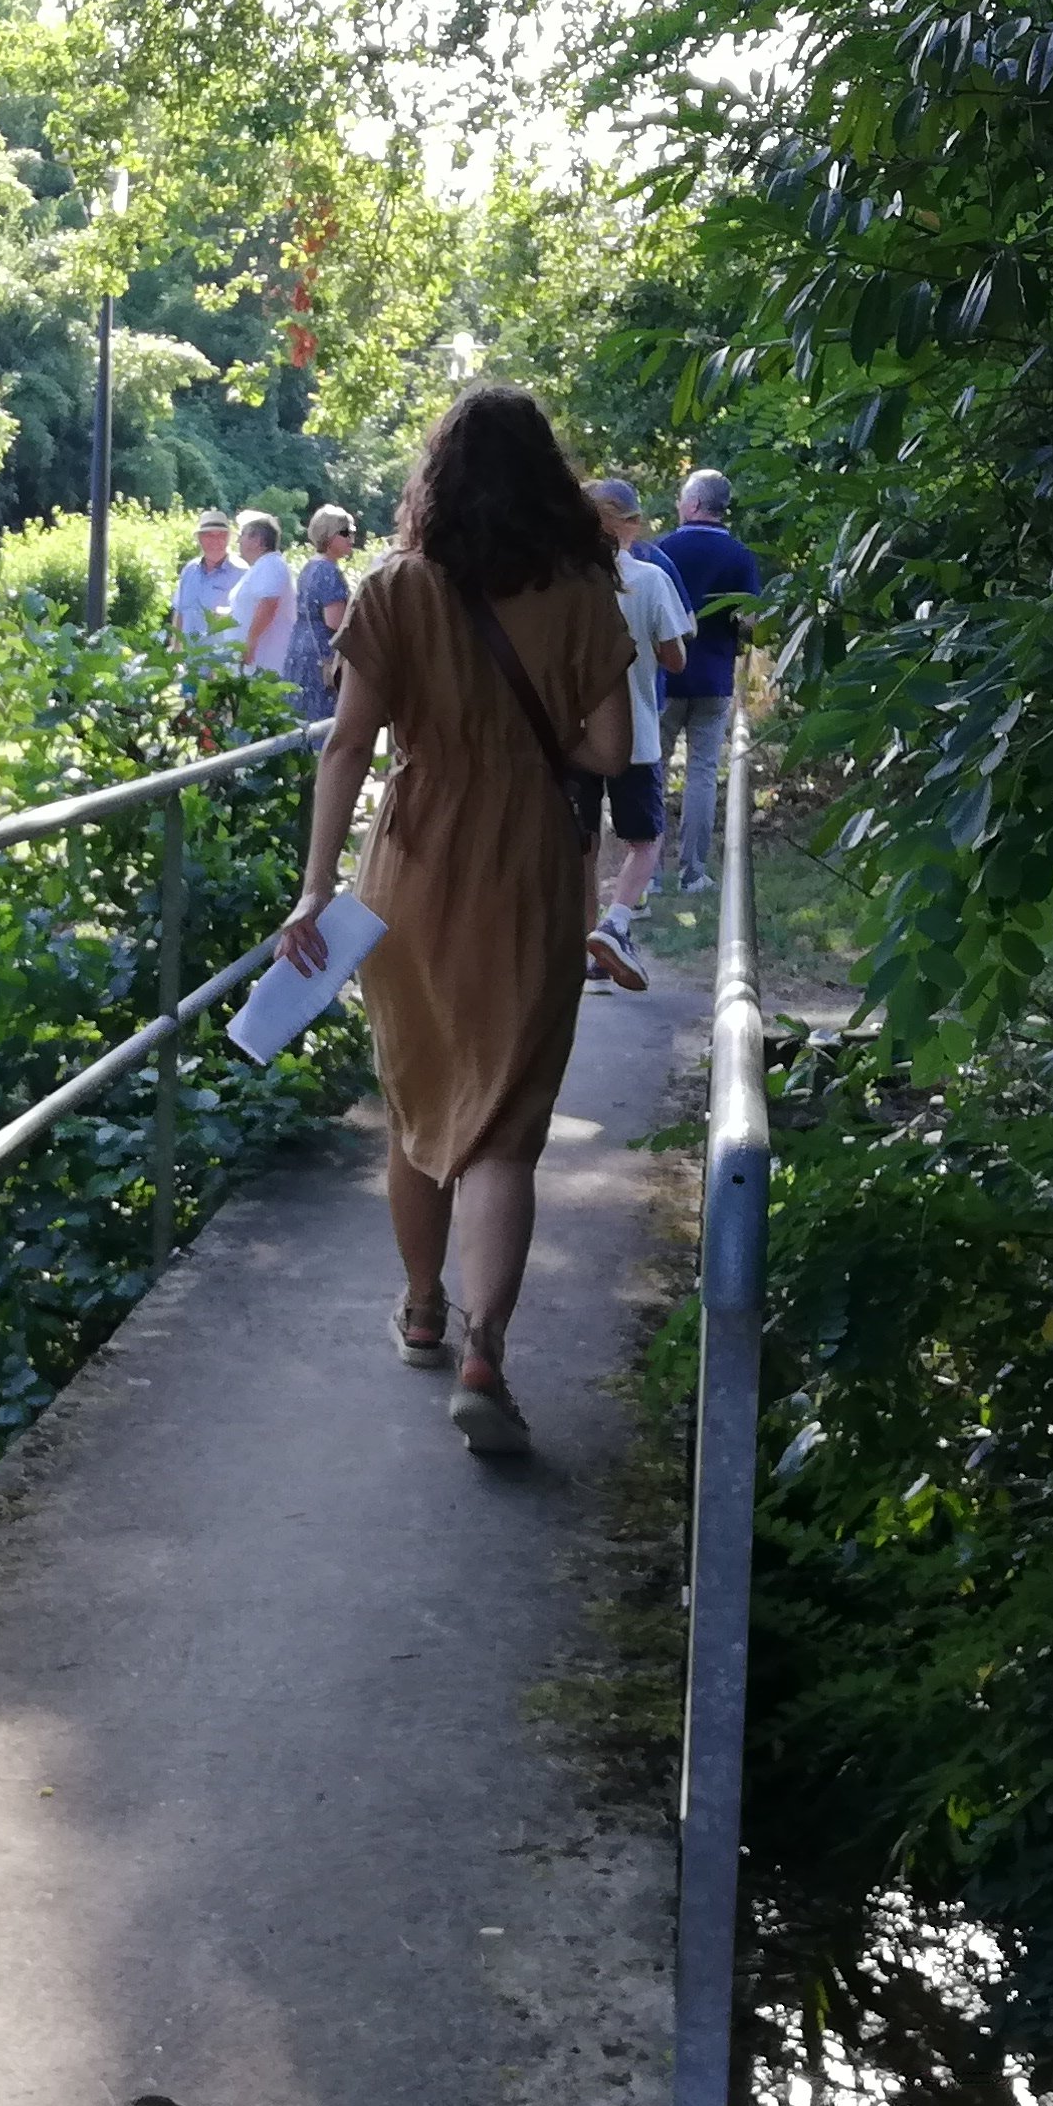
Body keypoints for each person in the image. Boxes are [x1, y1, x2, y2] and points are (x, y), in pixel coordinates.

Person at [273, 385, 630, 1459]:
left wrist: (315, 887)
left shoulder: (392, 590)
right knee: (505, 1127)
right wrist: (528, 763)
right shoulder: (583, 591)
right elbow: (611, 753)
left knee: (420, 1098)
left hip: (411, 862)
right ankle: (486, 1352)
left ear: (438, 481)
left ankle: (421, 1306)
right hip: (525, 862)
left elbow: (346, 747)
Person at [582, 475, 692, 993]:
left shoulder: (564, 582)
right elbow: (675, 657)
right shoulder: (648, 579)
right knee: (644, 840)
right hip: (636, 733)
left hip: (575, 738)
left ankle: (583, 942)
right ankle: (616, 922)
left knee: (581, 843)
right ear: (633, 524)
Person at [649, 469, 765, 897]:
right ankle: (693, 871)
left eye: (682, 498)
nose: (678, 505)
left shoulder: (661, 550)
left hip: (663, 677)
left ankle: (650, 873)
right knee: (701, 774)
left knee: (654, 772)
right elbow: (751, 621)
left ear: (695, 504)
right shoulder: (739, 556)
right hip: (714, 678)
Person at [283, 504, 358, 720]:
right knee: (322, 720)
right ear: (328, 535)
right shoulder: (328, 571)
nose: (351, 538)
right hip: (321, 657)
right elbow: (336, 621)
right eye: (345, 533)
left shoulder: (310, 566)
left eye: (352, 532)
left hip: (300, 648)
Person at [228, 509, 296, 680]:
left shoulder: (271, 565)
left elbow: (268, 603)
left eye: (243, 534)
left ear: (258, 540)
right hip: (253, 666)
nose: (238, 540)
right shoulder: (262, 566)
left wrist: (249, 644)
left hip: (264, 664)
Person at [166, 508, 244, 652]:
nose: (215, 541)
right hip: (188, 661)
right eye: (209, 535)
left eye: (220, 535)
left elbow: (245, 619)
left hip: (221, 661)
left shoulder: (241, 573)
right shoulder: (189, 570)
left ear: (227, 538)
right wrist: (175, 649)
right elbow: (180, 613)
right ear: (199, 539)